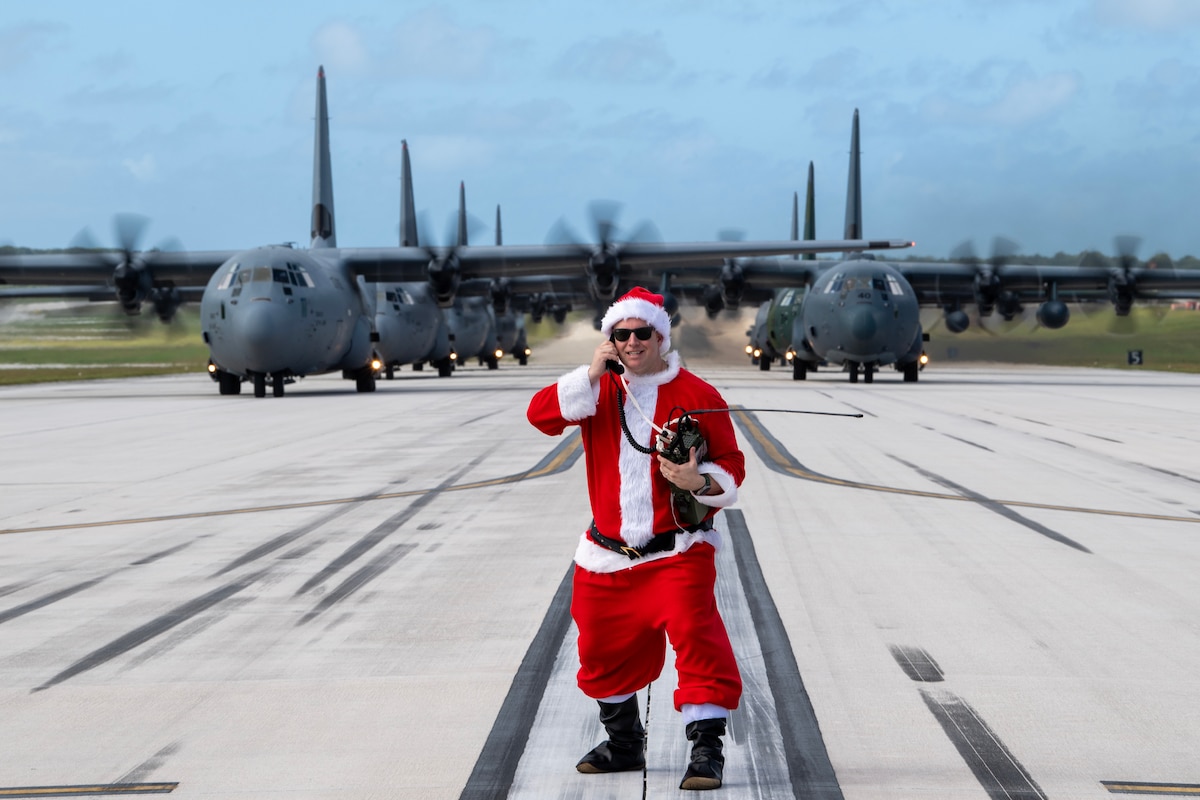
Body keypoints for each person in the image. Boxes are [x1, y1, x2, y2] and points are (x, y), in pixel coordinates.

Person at [526, 286, 745, 791]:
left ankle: (706, 749)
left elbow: (732, 465)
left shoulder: (699, 394)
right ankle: (625, 743)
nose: (631, 342)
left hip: (677, 552)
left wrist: (699, 483)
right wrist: (589, 373)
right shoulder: (596, 392)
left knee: (698, 639)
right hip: (606, 554)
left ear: (660, 336)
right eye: (620, 335)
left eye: (641, 333)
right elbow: (540, 416)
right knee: (599, 648)